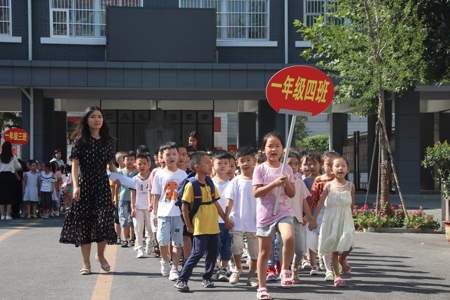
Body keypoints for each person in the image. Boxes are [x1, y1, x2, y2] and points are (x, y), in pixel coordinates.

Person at [59, 106, 118, 276]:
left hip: (102, 186)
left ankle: (100, 256)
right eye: (93, 117)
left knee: (104, 221)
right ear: (86, 120)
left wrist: (126, 179)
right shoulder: (80, 141)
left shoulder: (108, 141)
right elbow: (75, 166)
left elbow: (112, 166)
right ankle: (86, 264)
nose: (97, 119)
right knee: (85, 225)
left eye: (99, 116)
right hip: (84, 186)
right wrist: (76, 186)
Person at [174, 151, 232, 292]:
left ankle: (207, 278)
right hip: (200, 225)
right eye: (206, 162)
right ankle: (182, 280)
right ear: (197, 166)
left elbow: (216, 203)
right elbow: (184, 207)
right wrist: (188, 225)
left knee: (213, 252)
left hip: (213, 224)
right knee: (197, 253)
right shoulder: (191, 185)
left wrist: (225, 218)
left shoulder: (209, 182)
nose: (210, 164)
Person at [252, 132, 296, 300]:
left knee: (289, 238)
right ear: (264, 150)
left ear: (283, 149)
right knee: (264, 252)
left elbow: (292, 194)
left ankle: (285, 270)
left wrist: (285, 184)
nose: (274, 149)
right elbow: (256, 193)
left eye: (277, 145)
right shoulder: (260, 169)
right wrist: (274, 184)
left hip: (284, 211)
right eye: (270, 146)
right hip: (265, 214)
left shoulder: (287, 168)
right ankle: (262, 288)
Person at [316, 156, 355, 288]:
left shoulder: (351, 186)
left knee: (348, 245)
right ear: (332, 170)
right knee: (334, 248)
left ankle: (342, 259)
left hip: (346, 220)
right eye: (337, 166)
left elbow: (352, 205)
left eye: (343, 166)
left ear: (348, 169)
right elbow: (320, 203)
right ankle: (337, 276)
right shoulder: (328, 186)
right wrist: (313, 219)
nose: (340, 168)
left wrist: (354, 220)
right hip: (331, 220)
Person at [151, 142, 187, 281]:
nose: (171, 157)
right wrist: (154, 213)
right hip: (163, 214)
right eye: (168, 154)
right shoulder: (159, 174)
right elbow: (155, 195)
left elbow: (186, 195)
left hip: (178, 214)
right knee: (162, 241)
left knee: (177, 243)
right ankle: (165, 261)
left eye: (174, 154)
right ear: (162, 157)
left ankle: (174, 268)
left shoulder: (183, 174)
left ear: (178, 156)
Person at [225, 147, 259, 287]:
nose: (245, 163)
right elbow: (229, 201)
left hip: (255, 221)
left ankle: (252, 275)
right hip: (237, 220)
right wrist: (226, 218)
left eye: (248, 160)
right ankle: (237, 269)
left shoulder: (259, 180)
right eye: (242, 161)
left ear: (255, 161)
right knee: (236, 247)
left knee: (254, 251)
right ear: (237, 163)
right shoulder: (235, 181)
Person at [306, 151, 340, 279]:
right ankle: (328, 269)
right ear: (322, 165)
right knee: (322, 239)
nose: (331, 167)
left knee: (335, 241)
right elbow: (313, 200)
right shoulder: (319, 180)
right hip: (321, 214)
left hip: (336, 213)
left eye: (334, 164)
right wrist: (310, 217)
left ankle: (335, 264)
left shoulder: (340, 180)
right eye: (328, 164)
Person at [287, 150, 313, 282]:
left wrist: (309, 217)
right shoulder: (278, 180)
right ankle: (284, 271)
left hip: (297, 219)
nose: (293, 166)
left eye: (296, 164)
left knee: (300, 250)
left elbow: (304, 201)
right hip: (281, 219)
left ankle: (295, 268)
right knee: (284, 248)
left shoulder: (299, 181)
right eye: (289, 163)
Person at [211, 151, 232, 281]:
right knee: (214, 247)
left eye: (226, 163)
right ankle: (214, 268)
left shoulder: (233, 183)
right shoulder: (210, 183)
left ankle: (224, 269)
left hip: (228, 222)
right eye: (219, 163)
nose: (223, 166)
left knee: (227, 246)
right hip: (213, 221)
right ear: (213, 165)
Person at [130, 154, 153, 258]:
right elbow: (133, 194)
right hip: (138, 207)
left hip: (150, 208)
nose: (142, 166)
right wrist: (133, 207)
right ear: (136, 165)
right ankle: (140, 249)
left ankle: (149, 243)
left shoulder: (152, 178)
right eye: (139, 164)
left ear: (149, 165)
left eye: (144, 163)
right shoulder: (134, 179)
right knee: (138, 229)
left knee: (150, 228)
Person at [118, 151, 138, 247]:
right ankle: (124, 239)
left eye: (132, 159)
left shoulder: (137, 172)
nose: (129, 161)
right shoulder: (121, 172)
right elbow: (117, 186)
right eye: (127, 159)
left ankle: (132, 238)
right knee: (123, 218)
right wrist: (114, 197)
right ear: (123, 161)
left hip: (134, 199)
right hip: (123, 198)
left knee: (132, 219)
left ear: (135, 161)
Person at [0, 141, 22, 220]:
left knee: (1, 196)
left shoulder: (0, 157)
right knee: (10, 196)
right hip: (10, 177)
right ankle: (8, 215)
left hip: (1, 177)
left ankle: (2, 215)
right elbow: (18, 167)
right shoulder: (13, 157)